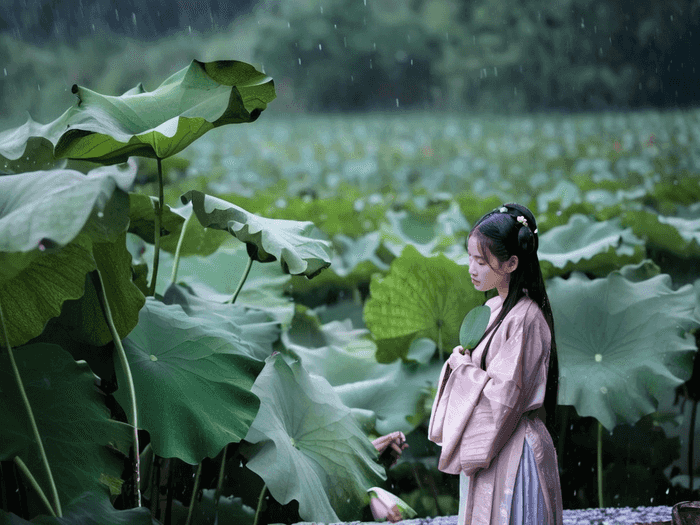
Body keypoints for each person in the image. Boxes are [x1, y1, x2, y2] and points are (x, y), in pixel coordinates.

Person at [428, 203, 563, 525]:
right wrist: (462, 364)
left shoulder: (526, 318)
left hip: (515, 448)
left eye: (481, 261)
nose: (472, 269)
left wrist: (462, 369)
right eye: (470, 258)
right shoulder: (492, 307)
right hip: (492, 445)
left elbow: (507, 397)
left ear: (512, 262)